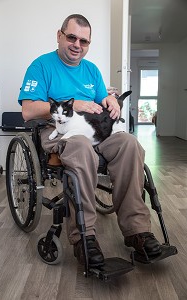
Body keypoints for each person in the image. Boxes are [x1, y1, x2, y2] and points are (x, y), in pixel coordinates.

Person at [18, 14, 161, 267]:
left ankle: (137, 231)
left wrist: (111, 102)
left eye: (84, 41)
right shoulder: (41, 66)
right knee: (81, 147)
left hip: (93, 131)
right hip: (59, 130)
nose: (77, 45)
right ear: (59, 35)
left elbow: (103, 102)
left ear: (88, 43)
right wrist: (77, 103)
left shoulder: (92, 70)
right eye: (71, 37)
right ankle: (84, 237)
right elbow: (28, 111)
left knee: (129, 144)